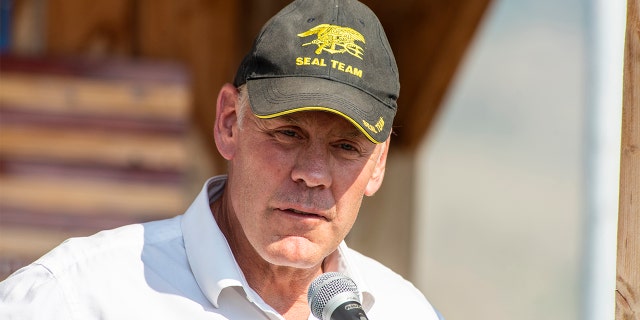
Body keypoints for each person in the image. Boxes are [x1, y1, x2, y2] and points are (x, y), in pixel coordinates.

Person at [0, 0, 442, 319]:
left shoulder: (406, 311)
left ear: (378, 163)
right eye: (288, 133)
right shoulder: (74, 299)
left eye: (346, 147)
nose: (312, 174)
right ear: (230, 123)